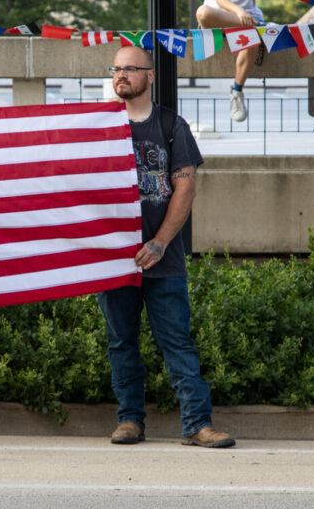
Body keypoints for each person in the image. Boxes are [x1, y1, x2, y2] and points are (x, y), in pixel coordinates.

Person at [97, 46, 235, 449]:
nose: (122, 75)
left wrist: (159, 243)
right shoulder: (100, 127)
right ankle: (130, 420)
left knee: (176, 341)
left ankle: (197, 423)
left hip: (164, 258)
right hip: (115, 260)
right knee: (122, 341)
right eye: (117, 69)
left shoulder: (172, 126)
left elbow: (186, 186)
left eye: (130, 69)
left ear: (150, 76)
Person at [195, 0, 272, 123]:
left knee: (251, 39)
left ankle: (237, 92)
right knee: (202, 12)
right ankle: (255, 28)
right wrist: (239, 12)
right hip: (222, 17)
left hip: (248, 20)